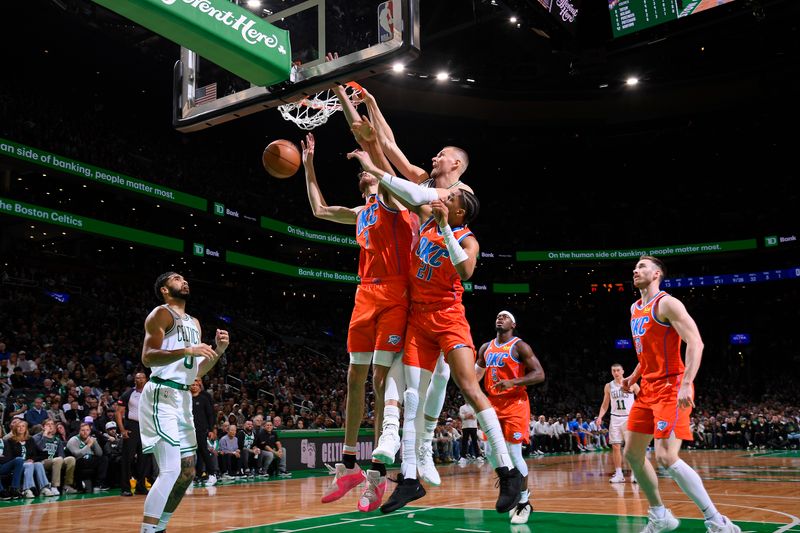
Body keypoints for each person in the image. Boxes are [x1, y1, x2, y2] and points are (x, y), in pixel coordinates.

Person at [349, 150, 523, 515]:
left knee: (468, 386)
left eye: (451, 198)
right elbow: (403, 188)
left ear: (459, 210)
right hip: (417, 318)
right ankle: (409, 479)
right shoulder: (426, 216)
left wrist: (445, 227)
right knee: (411, 395)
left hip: (448, 317)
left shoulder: (466, 236)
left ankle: (506, 472)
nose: (442, 197)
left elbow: (466, 270)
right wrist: (372, 165)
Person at [302, 131, 412, 512]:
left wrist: (370, 158)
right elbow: (318, 209)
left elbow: (387, 178)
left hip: (396, 294)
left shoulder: (392, 202)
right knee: (354, 378)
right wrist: (308, 164)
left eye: (368, 172)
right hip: (365, 293)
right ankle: (348, 465)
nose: (364, 175)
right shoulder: (359, 213)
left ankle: (377, 474)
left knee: (381, 382)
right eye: (362, 174)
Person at [623, 256, 740, 533]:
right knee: (632, 454)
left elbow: (695, 342)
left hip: (671, 387)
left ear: (657, 274)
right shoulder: (634, 308)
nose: (635, 270)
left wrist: (687, 382)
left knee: (665, 456)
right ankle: (660, 515)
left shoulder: (668, 303)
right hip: (648, 388)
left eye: (642, 266)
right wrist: (634, 375)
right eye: (635, 267)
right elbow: (648, 352)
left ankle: (716, 520)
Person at [138, 272, 229, 533]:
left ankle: (160, 527)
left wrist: (218, 350)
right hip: (161, 394)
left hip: (183, 398)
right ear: (165, 290)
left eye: (185, 278)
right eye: (177, 279)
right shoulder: (161, 314)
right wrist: (188, 350)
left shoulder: (195, 323)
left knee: (187, 473)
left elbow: (196, 372)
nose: (184, 280)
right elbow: (148, 357)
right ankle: (147, 530)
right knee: (170, 470)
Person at [476, 310, 545, 524]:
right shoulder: (486, 347)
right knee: (489, 451)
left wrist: (513, 382)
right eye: (497, 316)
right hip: (492, 404)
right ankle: (511, 488)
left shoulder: (519, 346)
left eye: (505, 317)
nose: (500, 318)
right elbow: (475, 375)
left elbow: (539, 374)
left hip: (515, 404)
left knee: (514, 454)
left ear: (513, 324)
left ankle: (524, 501)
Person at [596, 363, 640, 483]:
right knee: (615, 447)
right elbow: (605, 404)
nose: (616, 372)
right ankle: (619, 474)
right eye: (614, 371)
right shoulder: (608, 386)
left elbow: (642, 397)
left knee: (630, 448)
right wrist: (600, 416)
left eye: (618, 370)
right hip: (615, 418)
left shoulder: (632, 383)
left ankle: (634, 474)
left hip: (629, 418)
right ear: (612, 372)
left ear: (623, 371)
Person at [117, 372, 152, 497]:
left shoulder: (151, 393)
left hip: (147, 427)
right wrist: (122, 430)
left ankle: (141, 486)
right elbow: (119, 412)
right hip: (132, 426)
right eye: (137, 378)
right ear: (134, 380)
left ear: (146, 379)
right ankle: (125, 488)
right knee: (128, 458)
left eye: (142, 377)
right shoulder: (128, 394)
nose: (140, 380)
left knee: (145, 457)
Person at [33, 418, 78, 495]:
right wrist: (45, 435)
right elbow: (40, 448)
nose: (50, 426)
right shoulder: (37, 437)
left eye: (52, 424)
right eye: (48, 424)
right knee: (58, 460)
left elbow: (61, 455)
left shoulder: (57, 440)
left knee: (71, 459)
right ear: (43, 427)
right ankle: (54, 486)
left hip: (56, 461)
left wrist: (61, 458)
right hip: (42, 462)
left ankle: (67, 485)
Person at [190, 377, 216, 486]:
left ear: (199, 387)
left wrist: (211, 429)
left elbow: (210, 415)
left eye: (196, 385)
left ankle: (212, 474)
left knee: (204, 451)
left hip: (201, 430)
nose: (194, 386)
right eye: (192, 385)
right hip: (189, 430)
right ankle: (192, 477)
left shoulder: (204, 398)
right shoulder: (186, 399)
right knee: (190, 453)